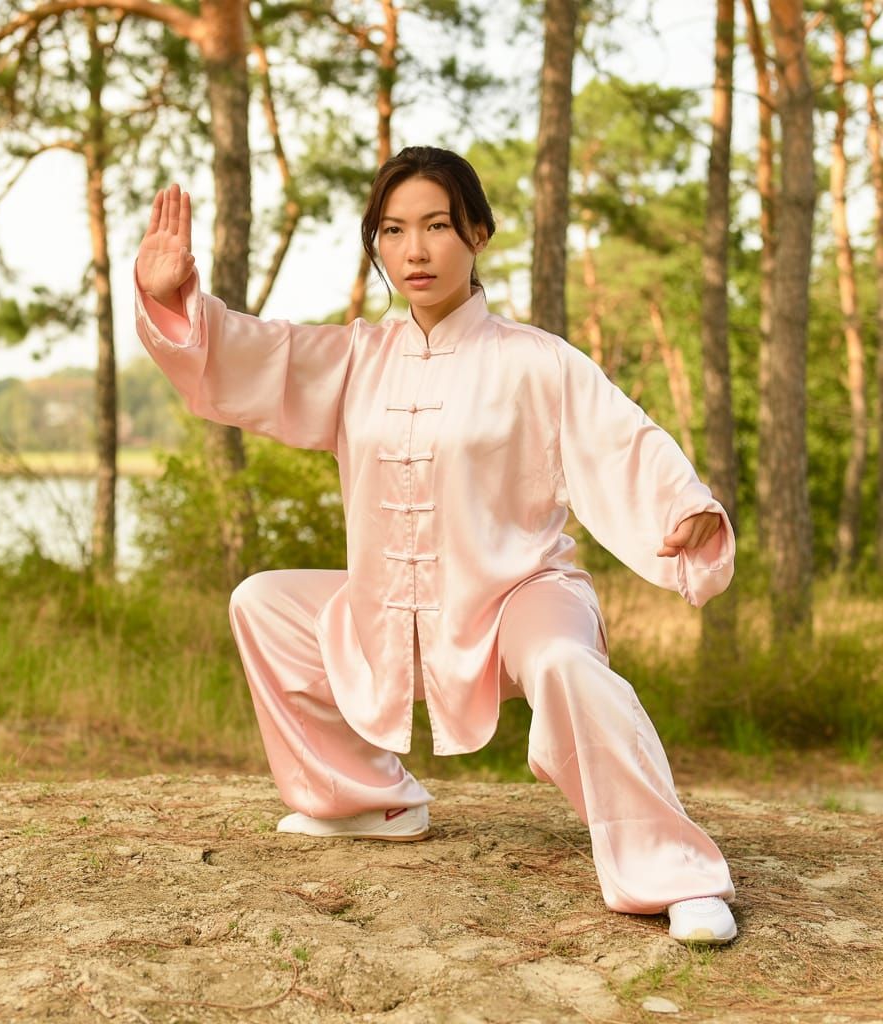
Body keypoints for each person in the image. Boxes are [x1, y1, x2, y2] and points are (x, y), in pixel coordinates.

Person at [134, 146, 738, 945]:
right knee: (264, 603)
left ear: (478, 234)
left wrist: (684, 505)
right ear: (377, 245)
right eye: (392, 230)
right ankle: (371, 801)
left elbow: (621, 438)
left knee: (566, 664)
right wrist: (172, 297)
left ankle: (675, 873)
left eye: (436, 226)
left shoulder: (535, 360)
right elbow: (256, 356)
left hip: (522, 598)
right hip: (397, 610)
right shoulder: (357, 358)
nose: (414, 250)